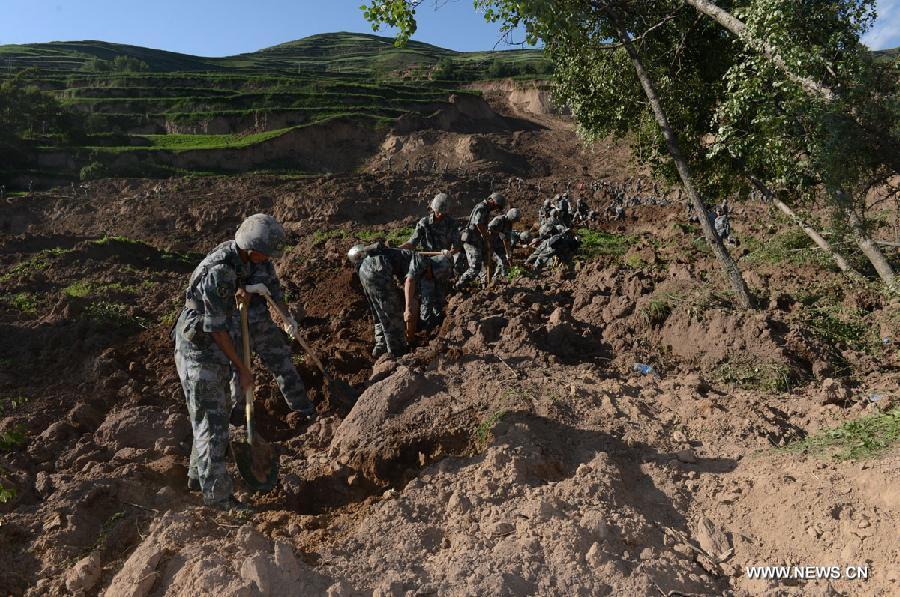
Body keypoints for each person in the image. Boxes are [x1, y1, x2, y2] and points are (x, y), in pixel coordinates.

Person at [173, 213, 286, 513]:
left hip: (208, 347)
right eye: (264, 254)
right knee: (212, 423)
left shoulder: (235, 256)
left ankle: (197, 478)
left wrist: (243, 292)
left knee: (214, 412)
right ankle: (218, 499)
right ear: (252, 249)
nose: (266, 261)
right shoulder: (222, 270)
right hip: (200, 348)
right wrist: (242, 368)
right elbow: (217, 328)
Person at [227, 257, 315, 424]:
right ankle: (238, 423)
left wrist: (288, 319)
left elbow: (276, 293)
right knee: (238, 374)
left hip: (262, 325)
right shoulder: (229, 259)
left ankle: (303, 411)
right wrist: (245, 288)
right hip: (235, 328)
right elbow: (219, 288)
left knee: (282, 362)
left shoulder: (265, 263)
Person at [348, 243, 453, 358]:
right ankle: (397, 354)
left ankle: (381, 346)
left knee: (379, 311)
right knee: (393, 315)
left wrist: (411, 337)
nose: (430, 278)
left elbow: (413, 301)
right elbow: (409, 282)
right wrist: (407, 309)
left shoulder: (414, 260)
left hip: (365, 269)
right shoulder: (422, 261)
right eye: (432, 276)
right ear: (433, 268)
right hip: (377, 269)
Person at [456, 192, 505, 289]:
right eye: (496, 206)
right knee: (475, 267)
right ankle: (459, 284)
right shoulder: (482, 207)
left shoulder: (485, 208)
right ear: (493, 201)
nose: (495, 209)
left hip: (477, 239)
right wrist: (486, 235)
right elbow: (479, 224)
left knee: (486, 258)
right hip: (471, 240)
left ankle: (484, 283)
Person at [487, 208, 520, 280]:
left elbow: (507, 240)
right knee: (488, 263)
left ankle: (499, 278)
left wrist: (508, 254)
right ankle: (487, 281)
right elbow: (488, 230)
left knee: (503, 261)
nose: (514, 222)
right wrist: (498, 233)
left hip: (498, 245)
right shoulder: (499, 220)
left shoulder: (509, 225)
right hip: (489, 243)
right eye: (513, 220)